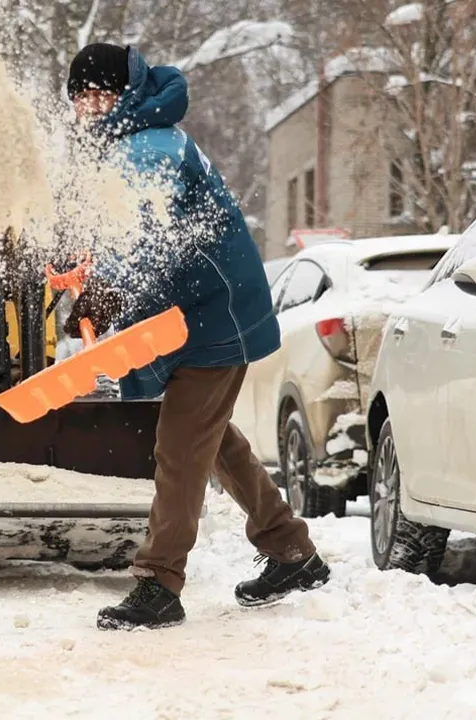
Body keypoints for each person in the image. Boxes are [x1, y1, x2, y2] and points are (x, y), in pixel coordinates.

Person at [62, 43, 330, 630]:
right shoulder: (135, 142)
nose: (88, 107)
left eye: (99, 94)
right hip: (197, 313)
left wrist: (108, 289)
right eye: (80, 98)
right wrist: (88, 269)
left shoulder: (149, 147)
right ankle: (292, 551)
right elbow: (122, 229)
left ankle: (159, 583)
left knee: (181, 451)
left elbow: (147, 236)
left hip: (214, 315)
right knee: (213, 440)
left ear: (124, 92)